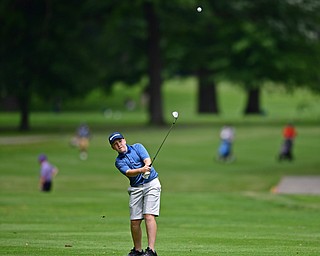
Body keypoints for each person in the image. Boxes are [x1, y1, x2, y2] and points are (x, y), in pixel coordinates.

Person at [108, 132, 161, 256]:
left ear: (124, 140)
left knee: (149, 215)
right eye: (115, 144)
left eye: (120, 141)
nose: (119, 145)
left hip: (151, 184)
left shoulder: (137, 147)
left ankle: (151, 250)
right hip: (136, 188)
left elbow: (146, 159)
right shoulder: (118, 161)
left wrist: (147, 167)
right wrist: (141, 170)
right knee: (135, 221)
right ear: (113, 148)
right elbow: (129, 172)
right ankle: (137, 250)